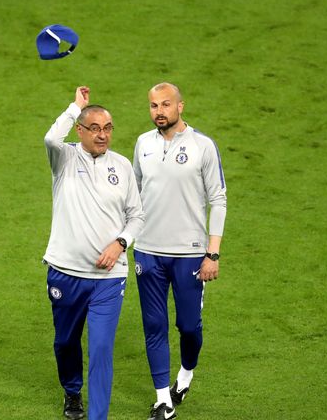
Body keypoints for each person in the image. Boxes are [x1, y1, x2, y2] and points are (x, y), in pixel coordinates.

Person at [43, 86, 144, 420]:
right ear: (81, 131)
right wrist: (75, 106)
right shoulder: (65, 157)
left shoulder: (123, 166)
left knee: (101, 349)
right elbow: (49, 138)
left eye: (108, 128)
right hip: (65, 272)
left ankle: (99, 416)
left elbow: (137, 215)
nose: (103, 135)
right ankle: (72, 391)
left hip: (108, 279)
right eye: (95, 128)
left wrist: (121, 243)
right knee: (66, 342)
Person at [132, 82, 227, 420]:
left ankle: (185, 375)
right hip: (147, 251)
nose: (159, 111)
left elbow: (217, 199)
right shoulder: (143, 144)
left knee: (188, 326)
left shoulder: (203, 146)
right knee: (153, 324)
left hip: (189, 253)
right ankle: (163, 400)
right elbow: (135, 195)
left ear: (180, 106)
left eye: (165, 104)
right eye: (154, 105)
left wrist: (212, 254)